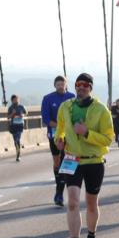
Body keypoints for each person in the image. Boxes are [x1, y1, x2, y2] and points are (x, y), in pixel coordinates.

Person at [55, 73, 113, 238]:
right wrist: (60, 139)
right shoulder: (66, 106)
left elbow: (108, 139)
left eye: (85, 85)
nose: (81, 87)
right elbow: (60, 128)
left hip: (94, 161)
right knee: (72, 201)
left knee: (90, 203)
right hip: (72, 159)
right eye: (78, 84)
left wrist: (87, 133)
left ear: (91, 88)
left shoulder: (101, 110)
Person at [41, 76, 75, 206]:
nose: (60, 86)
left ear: (66, 85)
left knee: (68, 161)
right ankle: (59, 188)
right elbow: (46, 118)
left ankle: (62, 192)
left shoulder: (73, 97)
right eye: (58, 84)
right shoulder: (48, 98)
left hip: (71, 136)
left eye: (63, 84)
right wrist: (61, 127)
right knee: (57, 162)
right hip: (54, 135)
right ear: (54, 85)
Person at [7, 94, 27, 162]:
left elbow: (26, 113)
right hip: (13, 125)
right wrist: (12, 114)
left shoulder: (21, 106)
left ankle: (18, 155)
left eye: (17, 99)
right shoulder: (10, 108)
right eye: (15, 99)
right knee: (15, 141)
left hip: (20, 125)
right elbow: (8, 117)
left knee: (18, 138)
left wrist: (22, 115)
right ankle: (18, 152)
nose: (16, 101)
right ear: (12, 100)